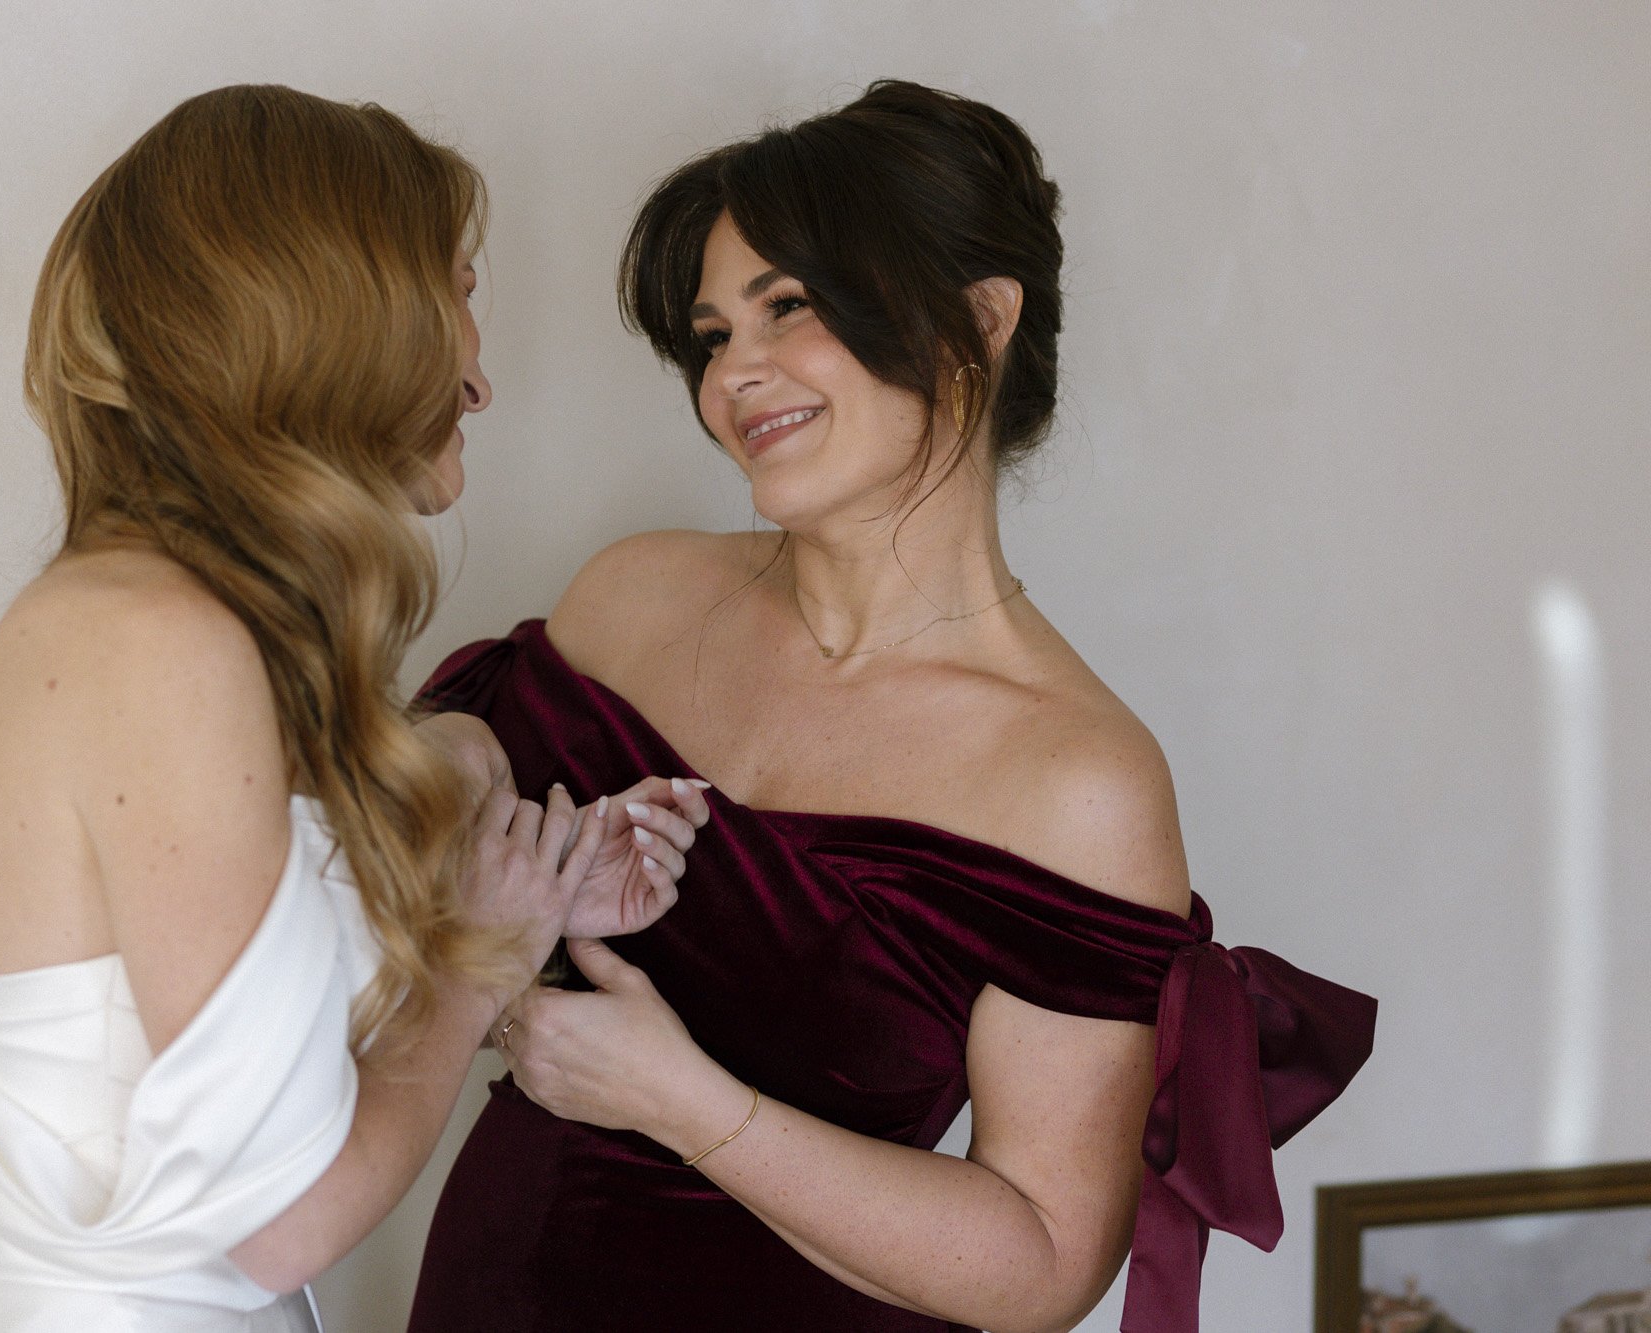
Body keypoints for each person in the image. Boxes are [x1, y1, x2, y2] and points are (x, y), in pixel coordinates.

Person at [406, 80, 1375, 1333]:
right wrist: (452, 803)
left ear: (978, 321)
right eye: (711, 336)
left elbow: (1040, 1260)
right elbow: (411, 890)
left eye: (787, 309)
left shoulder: (1075, 776)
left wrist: (681, 1100)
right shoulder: (630, 596)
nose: (733, 379)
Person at [0, 85, 706, 1333]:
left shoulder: (174, 630)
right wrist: (473, 975)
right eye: (459, 296)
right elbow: (274, 1223)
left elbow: (224, 1051)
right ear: (336, 321)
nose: (476, 382)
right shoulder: (160, 643)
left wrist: (515, 896)